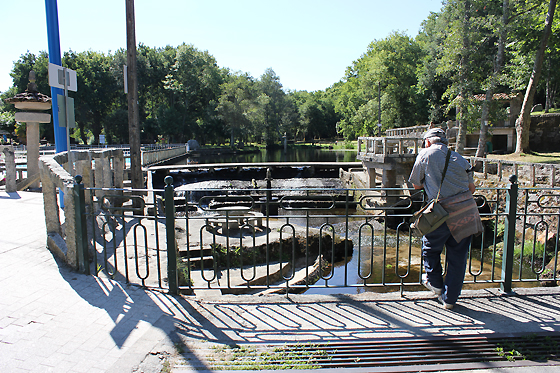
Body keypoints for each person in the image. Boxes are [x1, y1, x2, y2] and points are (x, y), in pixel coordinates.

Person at [408, 128, 483, 310]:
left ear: (427, 142)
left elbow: (416, 184)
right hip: (466, 212)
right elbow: (471, 188)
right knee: (458, 257)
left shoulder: (425, 154)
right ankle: (449, 300)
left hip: (441, 213)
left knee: (430, 248)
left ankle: (436, 284)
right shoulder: (461, 158)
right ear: (445, 142)